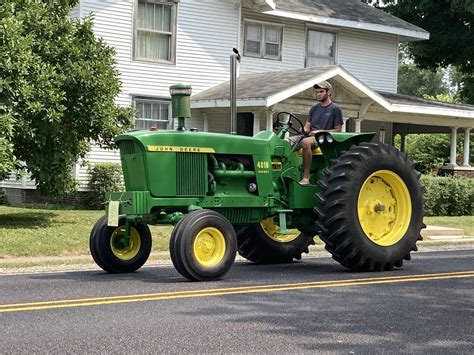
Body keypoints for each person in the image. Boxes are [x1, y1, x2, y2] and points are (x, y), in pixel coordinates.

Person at [298, 81, 343, 185]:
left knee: (306, 143)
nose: (318, 94)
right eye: (317, 92)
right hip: (310, 136)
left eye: (321, 91)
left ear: (329, 92)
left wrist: (320, 131)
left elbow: (337, 130)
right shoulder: (314, 108)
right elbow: (307, 126)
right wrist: (303, 129)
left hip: (323, 138)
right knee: (285, 142)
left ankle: (306, 177)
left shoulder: (335, 109)